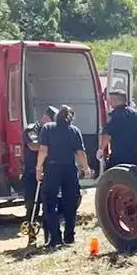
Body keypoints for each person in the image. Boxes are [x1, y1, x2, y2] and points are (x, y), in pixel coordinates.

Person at [36, 105, 93, 248]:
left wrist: (38, 168)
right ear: (71, 118)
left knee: (50, 203)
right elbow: (80, 152)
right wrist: (86, 169)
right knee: (70, 203)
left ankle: (55, 238)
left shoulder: (47, 128)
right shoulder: (74, 131)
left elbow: (43, 150)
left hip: (52, 169)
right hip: (69, 169)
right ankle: (69, 236)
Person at [22, 106, 57, 224]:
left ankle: (48, 232)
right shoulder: (32, 129)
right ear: (45, 117)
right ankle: (31, 229)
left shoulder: (51, 131)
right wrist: (50, 146)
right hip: (32, 171)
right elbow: (33, 146)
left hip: (48, 171)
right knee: (31, 203)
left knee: (48, 203)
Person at [100, 88, 137, 169]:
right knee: (131, 176)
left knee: (114, 176)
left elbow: (107, 135)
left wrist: (101, 149)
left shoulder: (113, 115)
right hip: (133, 154)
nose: (109, 102)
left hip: (118, 155)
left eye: (111, 99)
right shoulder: (136, 114)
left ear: (117, 100)